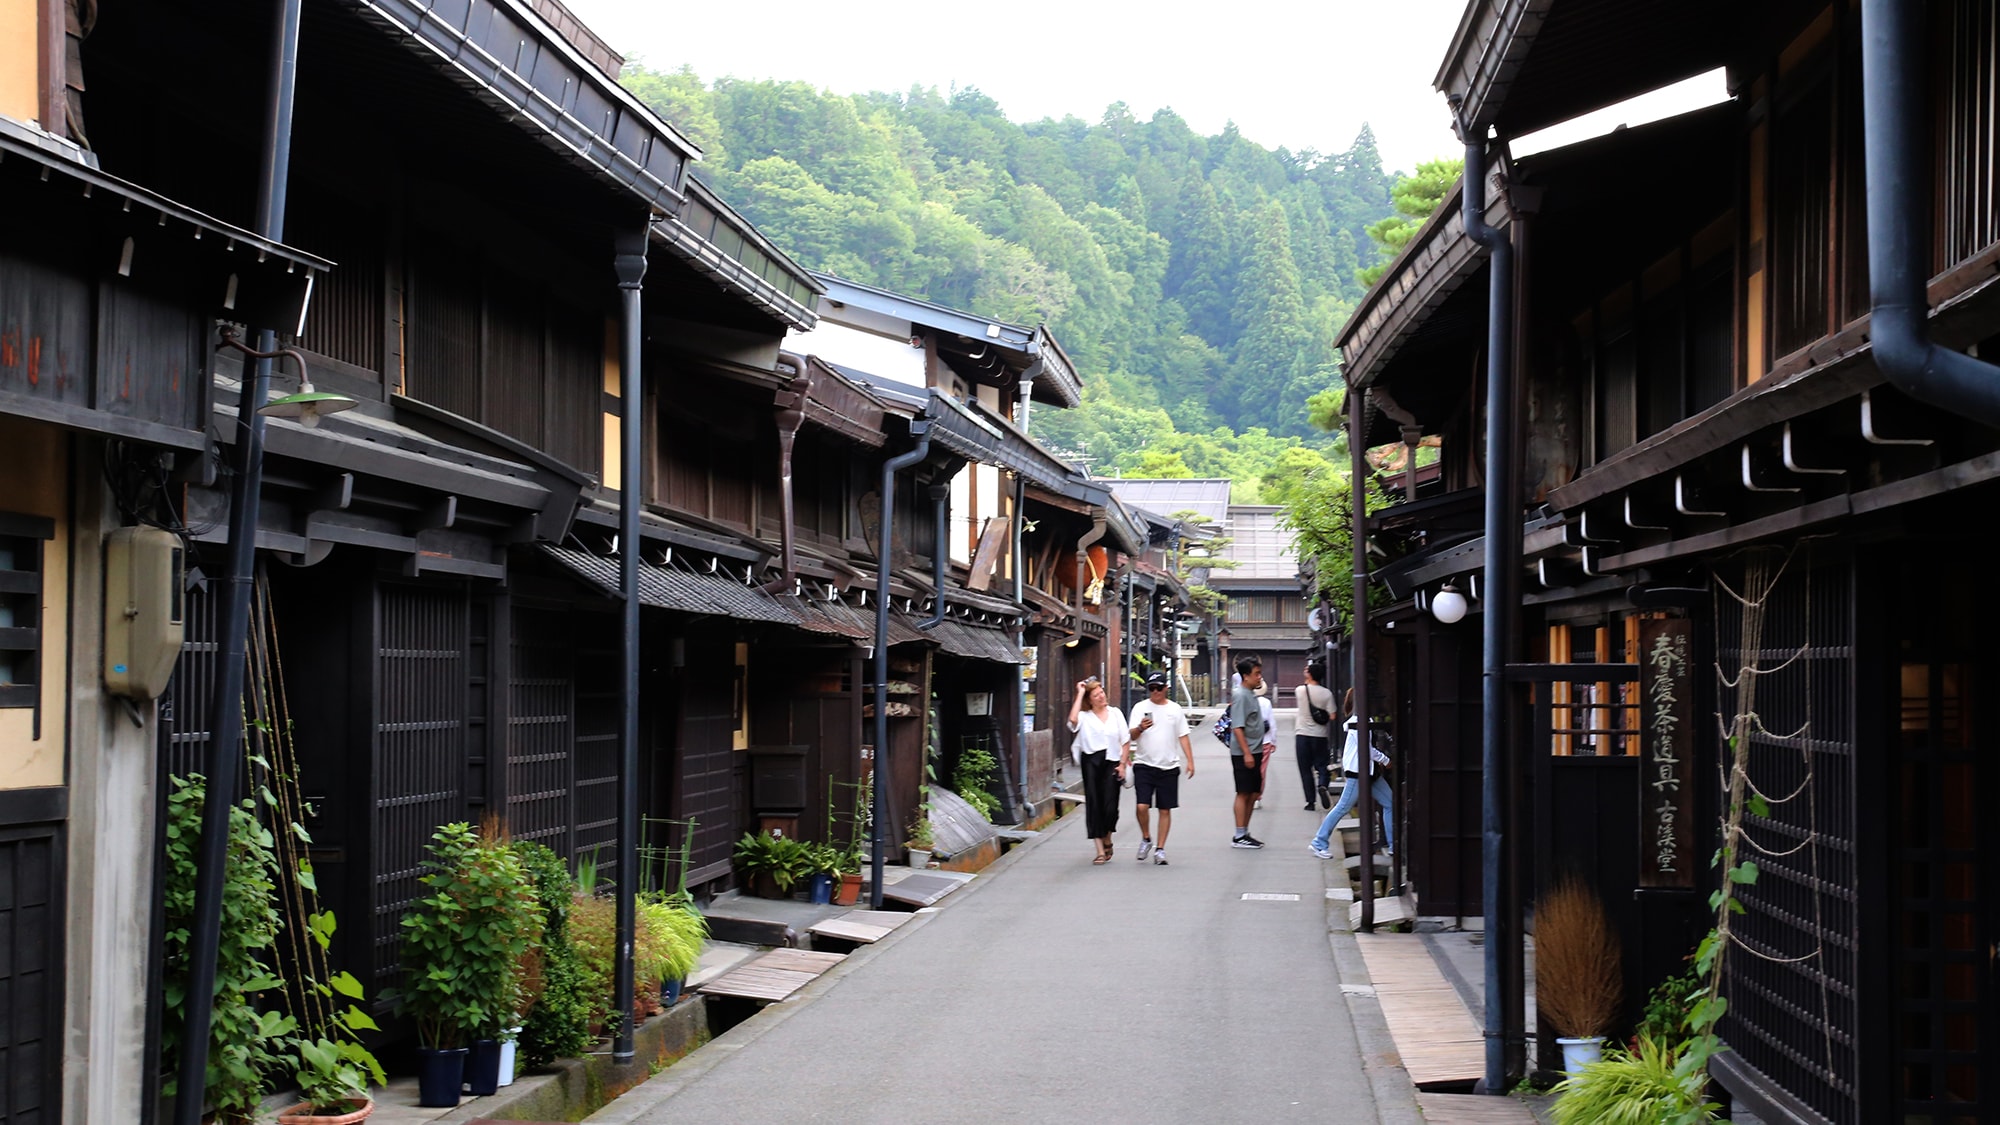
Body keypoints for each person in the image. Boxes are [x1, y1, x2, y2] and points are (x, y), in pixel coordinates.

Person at [1309, 687, 1395, 860]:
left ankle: (1393, 844)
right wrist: (1385, 760)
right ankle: (1319, 842)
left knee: (1389, 802)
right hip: (1359, 771)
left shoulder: (1360, 720)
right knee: (1343, 807)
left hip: (1367, 771)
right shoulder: (1360, 722)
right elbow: (1367, 749)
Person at [1123, 671, 1193, 866]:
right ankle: (1146, 838)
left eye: (1158, 688)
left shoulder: (1175, 709)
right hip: (1144, 763)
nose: (1155, 692)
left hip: (1169, 765)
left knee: (1165, 809)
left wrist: (1190, 760)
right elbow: (1131, 735)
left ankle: (1160, 849)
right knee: (1142, 806)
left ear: (1165, 688)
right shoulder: (1140, 708)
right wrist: (1140, 728)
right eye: (1151, 689)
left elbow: (1183, 735)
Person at [1067, 677, 1128, 865]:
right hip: (1091, 762)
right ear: (1090, 699)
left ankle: (1108, 837)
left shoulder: (1115, 713)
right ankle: (1100, 851)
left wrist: (1123, 764)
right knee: (1094, 804)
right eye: (1096, 695)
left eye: (1101, 692)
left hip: (1112, 761)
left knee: (1110, 807)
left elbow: (1125, 740)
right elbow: (1072, 720)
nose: (1101, 696)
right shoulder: (1085, 717)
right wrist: (1079, 693)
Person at [1228, 656, 1267, 848]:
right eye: (1256, 674)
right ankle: (1239, 834)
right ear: (1245, 676)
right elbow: (1237, 727)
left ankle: (1244, 831)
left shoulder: (1250, 693)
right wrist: (1247, 753)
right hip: (1245, 751)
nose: (1259, 677)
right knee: (1243, 792)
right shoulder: (1241, 695)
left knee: (1253, 792)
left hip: (1255, 748)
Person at [1294, 662, 1336, 811]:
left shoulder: (1300, 691)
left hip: (1302, 735)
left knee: (1305, 769)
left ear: (1310, 674)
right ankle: (1323, 785)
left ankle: (1310, 802)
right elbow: (1332, 716)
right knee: (1322, 766)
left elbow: (1306, 685)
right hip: (1320, 736)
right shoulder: (1327, 694)